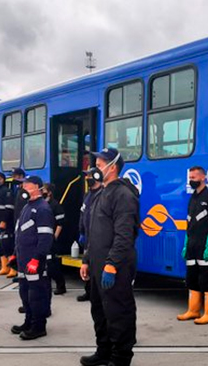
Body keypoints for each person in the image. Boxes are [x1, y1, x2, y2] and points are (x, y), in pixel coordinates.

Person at [80, 148, 139, 366]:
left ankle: (121, 358)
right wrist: (86, 259)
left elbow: (124, 235)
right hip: (97, 263)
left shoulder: (123, 195)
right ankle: (103, 351)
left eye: (99, 162)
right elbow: (92, 230)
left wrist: (112, 265)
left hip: (115, 265)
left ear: (112, 167)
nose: (94, 166)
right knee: (99, 309)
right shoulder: (100, 194)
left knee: (118, 311)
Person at [177, 166, 208, 325]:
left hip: (205, 246)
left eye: (194, 178)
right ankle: (193, 310)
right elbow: (189, 224)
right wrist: (186, 244)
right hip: (193, 246)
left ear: (203, 177)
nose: (191, 181)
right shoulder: (193, 198)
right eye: (190, 178)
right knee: (192, 279)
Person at [12, 176, 56, 340]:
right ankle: (28, 321)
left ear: (37, 187)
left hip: (33, 260)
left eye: (27, 184)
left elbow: (45, 237)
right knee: (25, 292)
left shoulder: (42, 208)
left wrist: (37, 258)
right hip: (23, 259)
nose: (23, 187)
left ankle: (38, 326)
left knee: (36, 293)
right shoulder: (27, 207)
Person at [76, 167, 104, 303]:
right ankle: (88, 291)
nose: (87, 179)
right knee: (86, 265)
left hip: (97, 237)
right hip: (87, 235)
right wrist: (81, 231)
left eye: (89, 176)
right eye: (86, 176)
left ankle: (96, 292)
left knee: (96, 266)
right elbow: (83, 214)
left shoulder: (102, 194)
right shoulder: (87, 195)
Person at [43, 183, 69, 295]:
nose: (41, 191)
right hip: (43, 238)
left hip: (51, 239)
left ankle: (61, 285)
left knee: (52, 264)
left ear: (49, 192)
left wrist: (54, 237)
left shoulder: (55, 205)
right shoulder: (42, 204)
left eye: (43, 190)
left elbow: (60, 223)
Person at [0, 173, 16, 278]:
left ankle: (13, 269)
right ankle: (4, 267)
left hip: (4, 224)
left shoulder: (7, 192)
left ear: (2, 180)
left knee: (7, 245)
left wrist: (4, 221)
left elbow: (9, 208)